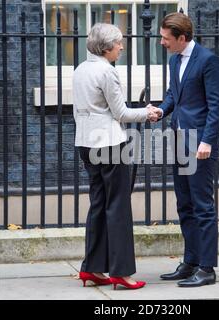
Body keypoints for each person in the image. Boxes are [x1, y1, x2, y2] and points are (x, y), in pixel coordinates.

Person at [72, 23, 161, 290]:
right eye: (119, 44)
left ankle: (92, 268)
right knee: (118, 207)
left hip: (86, 144)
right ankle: (121, 273)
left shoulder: (80, 70)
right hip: (111, 145)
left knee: (98, 203)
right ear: (107, 47)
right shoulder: (107, 72)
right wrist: (148, 112)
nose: (122, 48)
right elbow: (121, 114)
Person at [151, 12, 219, 287]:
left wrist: (207, 141)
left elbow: (216, 105)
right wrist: (161, 110)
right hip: (179, 141)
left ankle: (207, 268)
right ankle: (191, 261)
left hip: (199, 145)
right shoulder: (174, 60)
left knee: (203, 206)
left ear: (182, 38)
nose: (162, 42)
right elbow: (175, 95)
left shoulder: (208, 61)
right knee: (185, 205)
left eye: (166, 38)